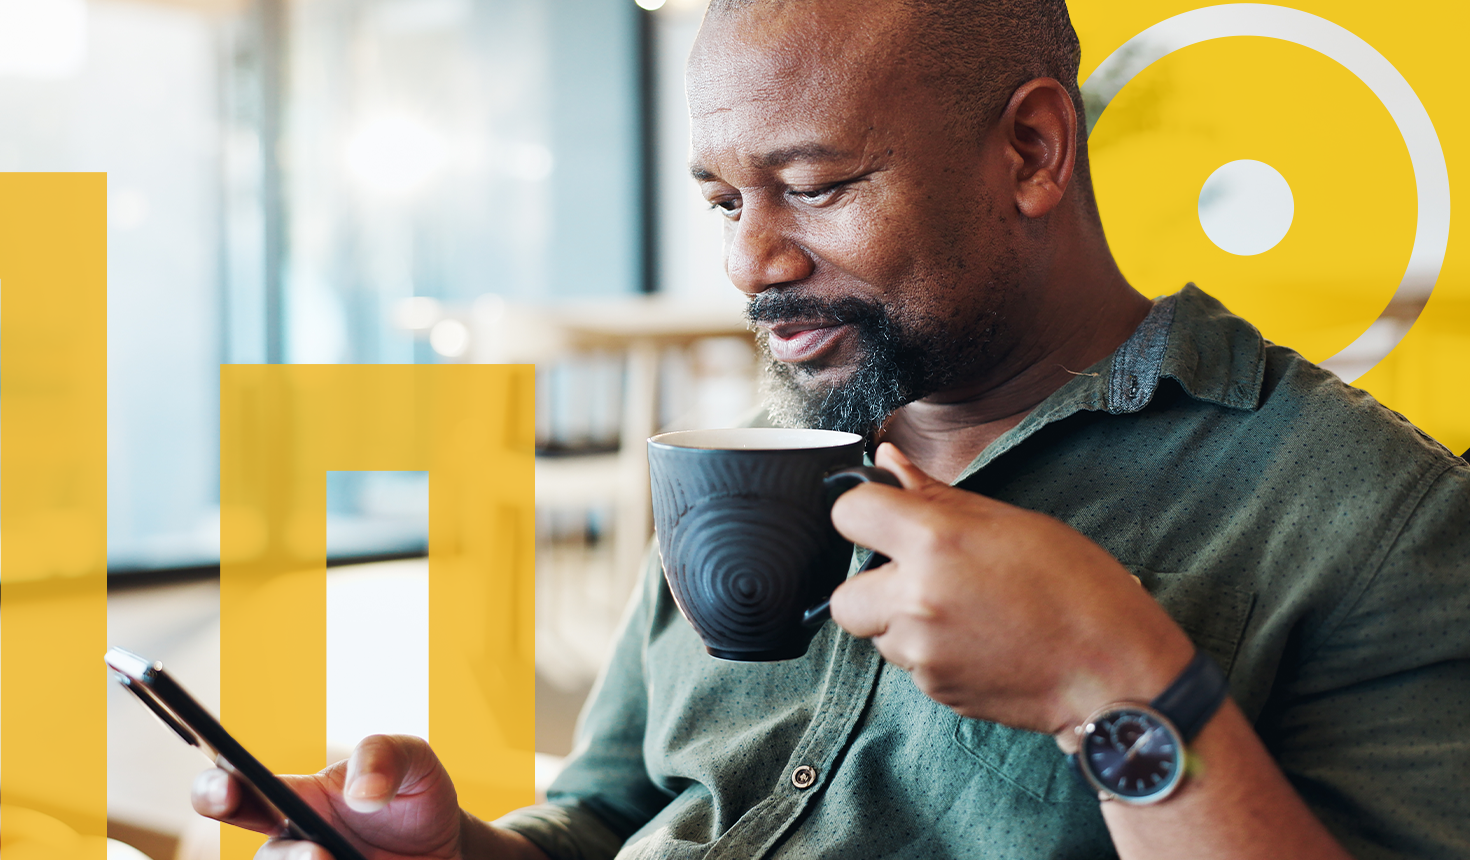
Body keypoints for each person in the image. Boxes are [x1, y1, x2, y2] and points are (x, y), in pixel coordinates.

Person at [194, 0, 1470, 857]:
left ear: (1032, 149)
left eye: (814, 185)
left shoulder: (1371, 513)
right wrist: (458, 848)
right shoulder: (749, 452)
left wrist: (1117, 684)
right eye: (720, 198)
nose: (753, 261)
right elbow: (615, 810)